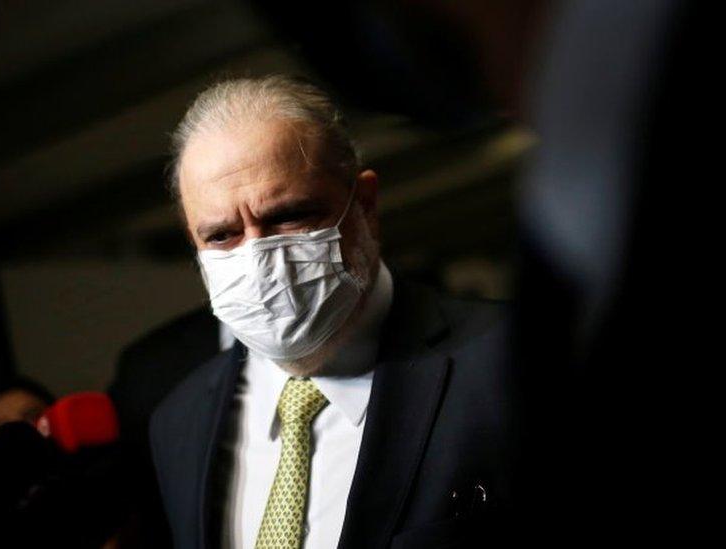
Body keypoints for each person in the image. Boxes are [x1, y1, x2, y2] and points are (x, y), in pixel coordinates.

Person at [147, 75, 521, 549]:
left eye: (288, 215)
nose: (260, 258)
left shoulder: (514, 362)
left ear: (364, 204)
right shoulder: (178, 422)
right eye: (222, 235)